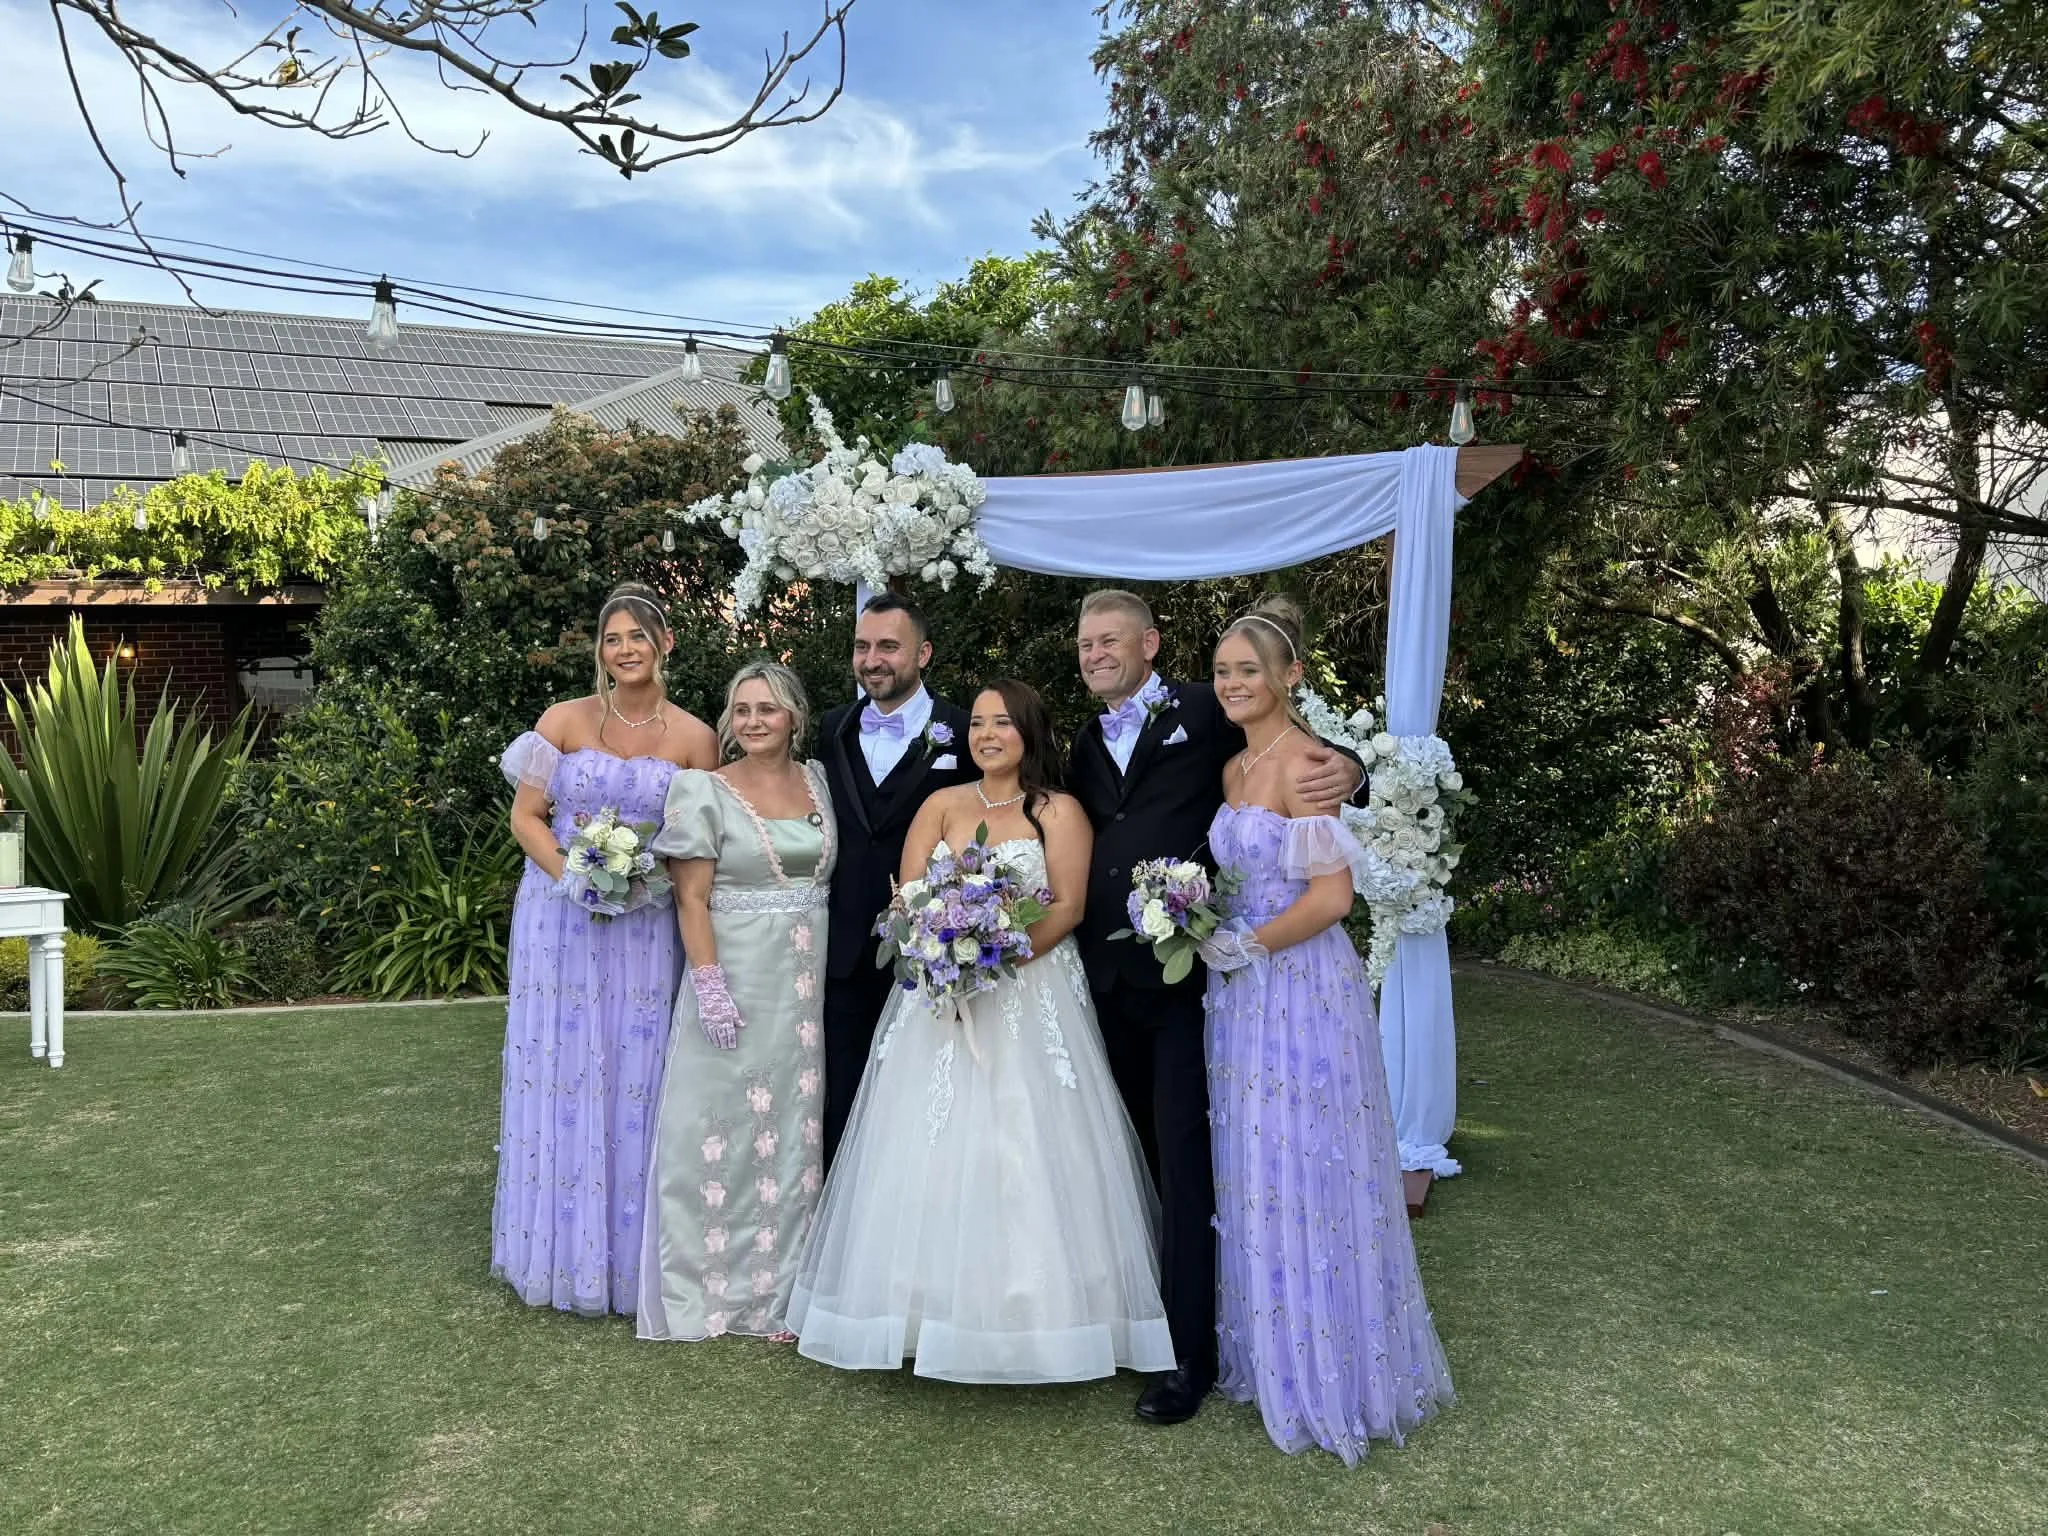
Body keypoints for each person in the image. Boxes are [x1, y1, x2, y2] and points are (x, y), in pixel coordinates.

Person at [788, 680, 1176, 1384]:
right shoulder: (941, 804)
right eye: (977, 724)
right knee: (924, 1144)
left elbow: (1067, 905)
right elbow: (906, 897)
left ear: (1029, 730)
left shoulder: (1057, 810)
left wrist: (994, 958)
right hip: (938, 999)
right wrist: (940, 951)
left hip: (1030, 991)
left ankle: (1037, 1312)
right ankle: (915, 1306)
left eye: (1003, 723)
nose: (987, 735)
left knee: (1029, 1139)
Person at [1067, 588, 1365, 1425]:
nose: (1095, 654)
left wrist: (1353, 766)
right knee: (1134, 1160)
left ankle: (1188, 1358)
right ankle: (1138, 1323)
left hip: (1191, 983)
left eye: (1111, 640)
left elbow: (1296, 745)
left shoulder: (1207, 706)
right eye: (1085, 643)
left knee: (1189, 1161)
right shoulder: (1084, 740)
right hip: (1107, 978)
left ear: (1151, 644)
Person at [1198, 597, 1454, 1464]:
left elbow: (1333, 898)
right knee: (1256, 1162)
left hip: (1299, 986)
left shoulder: (1309, 765)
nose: (1233, 683)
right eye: (1223, 670)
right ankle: (1271, 1350)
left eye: (1249, 669)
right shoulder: (1233, 767)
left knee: (1306, 1158)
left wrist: (1247, 944)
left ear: (1290, 676)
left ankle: (1331, 1372)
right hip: (1240, 994)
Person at [495, 582, 719, 1316]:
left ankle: (633, 1259)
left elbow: (696, 842)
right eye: (613, 639)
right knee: (562, 1067)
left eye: (638, 637)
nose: (625, 650)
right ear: (600, 651)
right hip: (559, 917)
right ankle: (561, 1252)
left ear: (665, 644)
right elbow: (527, 817)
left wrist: (641, 882)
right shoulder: (560, 721)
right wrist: (574, 878)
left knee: (636, 1069)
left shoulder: (696, 738)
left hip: (646, 924)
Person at [637, 660, 837, 1340]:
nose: (754, 721)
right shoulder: (704, 791)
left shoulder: (819, 781)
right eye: (743, 709)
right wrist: (710, 988)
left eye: (767, 709)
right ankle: (711, 1288)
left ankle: (784, 1286)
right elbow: (690, 897)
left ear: (793, 717)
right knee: (720, 1124)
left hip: (802, 993)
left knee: (791, 1128)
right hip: (735, 979)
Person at [816, 592, 976, 1168]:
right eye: (862, 646)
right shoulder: (831, 728)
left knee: (925, 1104)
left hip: (932, 952)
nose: (872, 659)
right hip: (842, 951)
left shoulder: (965, 730)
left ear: (923, 654)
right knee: (842, 1100)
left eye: (888, 646)